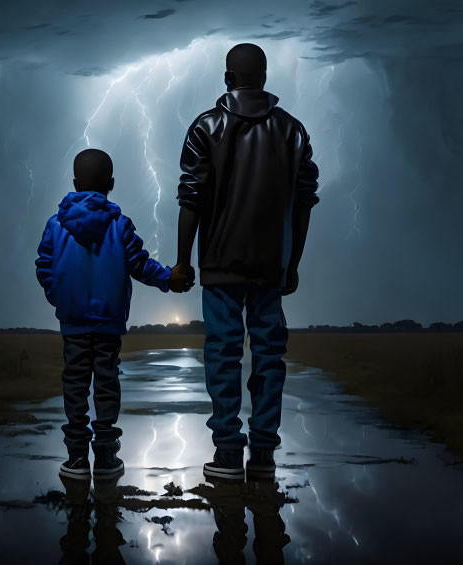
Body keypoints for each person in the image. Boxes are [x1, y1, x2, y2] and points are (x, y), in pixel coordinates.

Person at [172, 42, 320, 483]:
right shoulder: (293, 130)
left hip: (219, 264)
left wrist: (183, 261)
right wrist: (292, 262)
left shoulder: (205, 126)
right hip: (271, 266)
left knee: (222, 354)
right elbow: (304, 203)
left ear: (227, 78)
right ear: (265, 76)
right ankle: (264, 457)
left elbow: (191, 198)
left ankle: (227, 454)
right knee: (270, 356)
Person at [37, 148, 193, 482]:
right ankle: (106, 457)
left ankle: (76, 457)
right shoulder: (120, 225)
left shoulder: (55, 225)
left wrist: (60, 298)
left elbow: (44, 267)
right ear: (111, 183)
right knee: (106, 382)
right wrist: (171, 278)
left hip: (73, 322)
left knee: (75, 384)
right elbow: (140, 265)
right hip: (109, 322)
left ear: (75, 182)